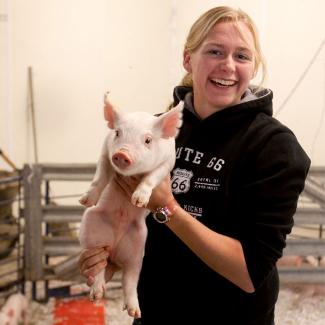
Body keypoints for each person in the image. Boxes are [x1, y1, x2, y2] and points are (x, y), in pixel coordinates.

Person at [78, 6, 311, 325]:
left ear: (253, 65)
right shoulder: (157, 132)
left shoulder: (274, 147)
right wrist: (113, 256)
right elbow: (135, 221)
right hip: (155, 311)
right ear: (188, 59)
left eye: (242, 56)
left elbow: (249, 273)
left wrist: (168, 208)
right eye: (215, 51)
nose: (228, 66)